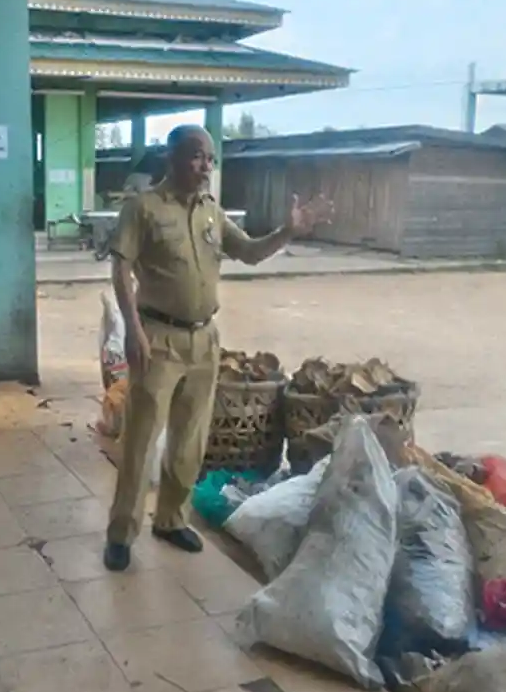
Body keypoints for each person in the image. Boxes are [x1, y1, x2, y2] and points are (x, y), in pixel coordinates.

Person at [103, 124, 333, 571]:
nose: (205, 166)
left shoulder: (212, 211)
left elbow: (247, 252)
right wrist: (132, 328)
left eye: (210, 158)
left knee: (191, 439)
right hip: (158, 339)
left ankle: (170, 519)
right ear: (171, 158)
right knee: (141, 440)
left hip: (205, 340)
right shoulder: (143, 208)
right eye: (196, 156)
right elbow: (120, 270)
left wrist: (288, 231)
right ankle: (121, 533)